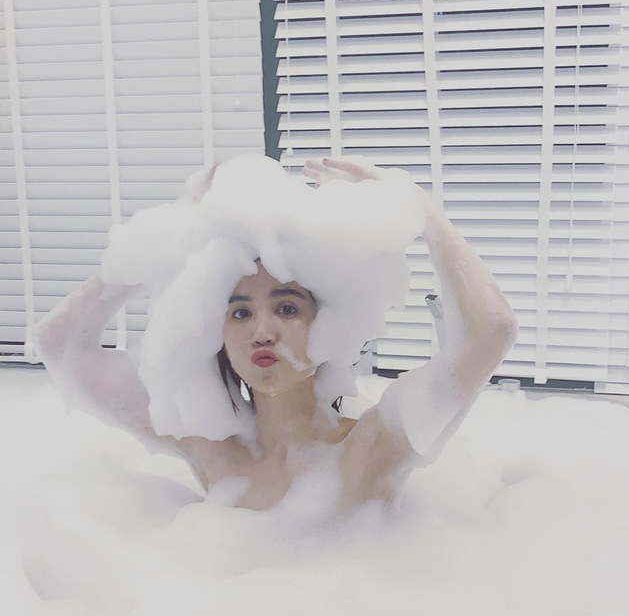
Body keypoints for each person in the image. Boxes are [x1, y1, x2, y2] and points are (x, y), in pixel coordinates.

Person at [34, 157, 518, 514]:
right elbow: (58, 343)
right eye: (240, 313)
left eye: (287, 309)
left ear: (325, 325)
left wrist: (418, 208)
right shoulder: (212, 450)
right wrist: (159, 238)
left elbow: (492, 331)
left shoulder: (370, 449)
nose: (262, 332)